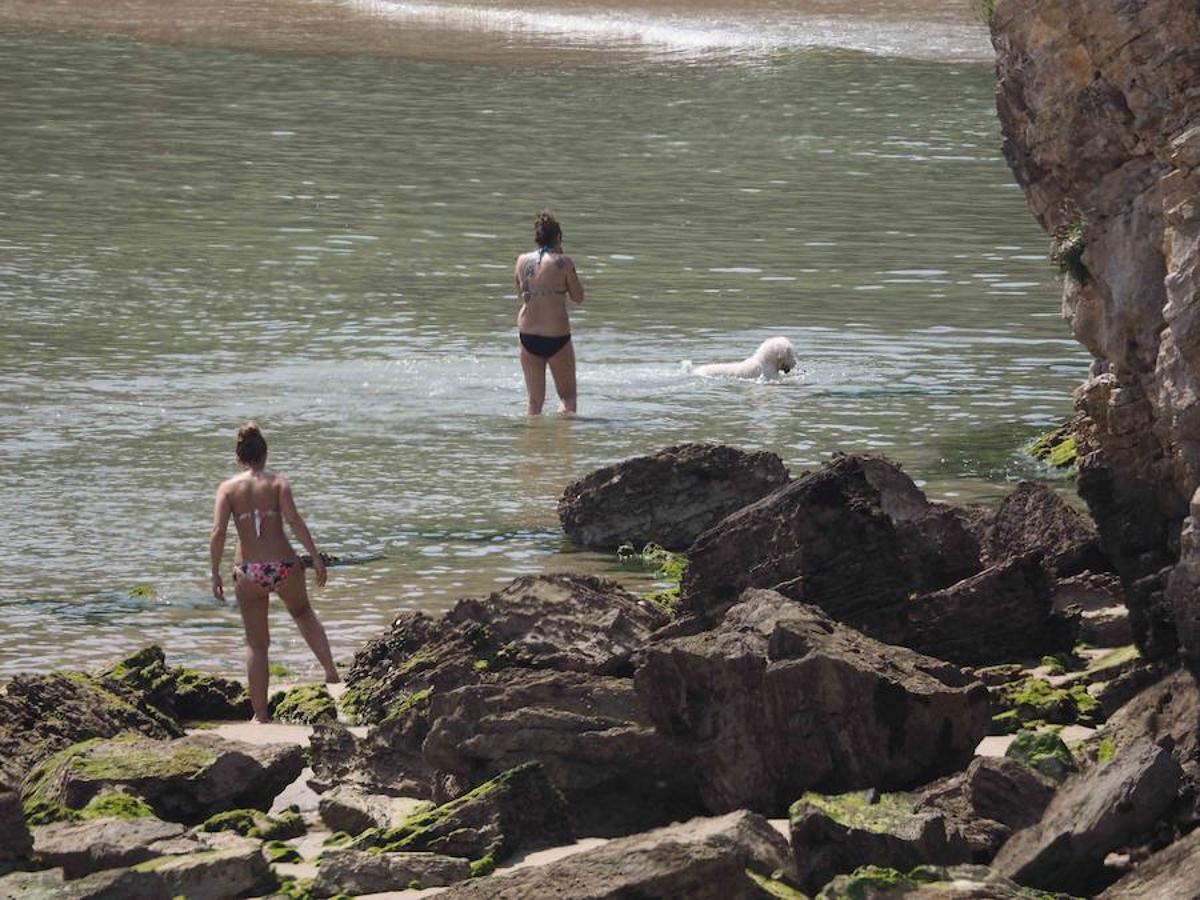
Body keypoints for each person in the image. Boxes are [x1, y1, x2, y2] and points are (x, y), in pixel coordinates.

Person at [210, 422, 339, 723]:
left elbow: (218, 532)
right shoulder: (278, 483)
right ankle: (331, 672)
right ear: (265, 453)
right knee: (304, 613)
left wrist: (215, 573)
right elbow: (294, 521)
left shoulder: (227, 489)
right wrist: (316, 558)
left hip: (249, 571)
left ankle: (261, 715)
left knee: (256, 643)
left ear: (239, 456)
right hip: (284, 566)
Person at [514, 209, 585, 414]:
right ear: (558, 237)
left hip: (528, 335)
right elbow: (578, 297)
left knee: (534, 402)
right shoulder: (563, 262)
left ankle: (532, 442)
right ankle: (563, 444)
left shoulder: (521, 261)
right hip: (556, 336)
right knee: (567, 398)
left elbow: (520, 292)